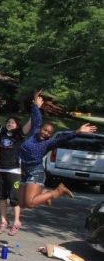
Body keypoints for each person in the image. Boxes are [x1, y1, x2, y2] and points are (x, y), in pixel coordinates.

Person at [17, 92, 97, 223]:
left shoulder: (48, 143)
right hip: (24, 171)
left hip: (36, 172)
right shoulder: (34, 132)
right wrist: (36, 105)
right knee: (21, 204)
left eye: (49, 133)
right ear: (40, 129)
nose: (46, 133)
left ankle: (58, 191)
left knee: (30, 203)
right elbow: (37, 117)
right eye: (45, 130)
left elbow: (63, 138)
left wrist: (77, 131)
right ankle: (44, 194)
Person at [0, 90, 32, 236]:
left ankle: (17, 222)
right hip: (0, 169)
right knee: (1, 198)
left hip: (14, 171)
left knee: (14, 198)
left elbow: (30, 124)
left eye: (12, 122)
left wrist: (35, 108)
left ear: (17, 125)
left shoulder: (19, 135)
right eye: (8, 122)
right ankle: (3, 221)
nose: (9, 124)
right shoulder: (2, 133)